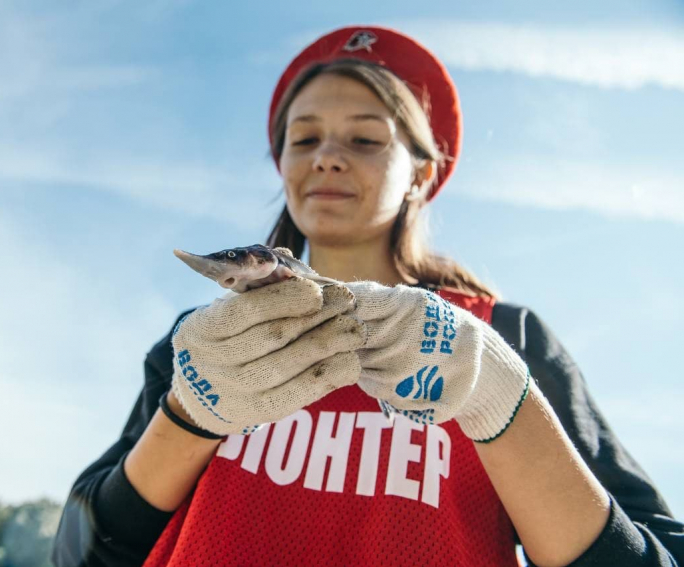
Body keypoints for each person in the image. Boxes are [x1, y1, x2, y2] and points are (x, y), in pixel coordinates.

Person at [51, 25, 683, 567]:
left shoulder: (504, 337)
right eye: (304, 139)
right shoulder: (206, 338)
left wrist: (497, 398)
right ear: (284, 166)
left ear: (422, 173)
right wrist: (191, 413)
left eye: (364, 139)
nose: (327, 157)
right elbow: (78, 552)